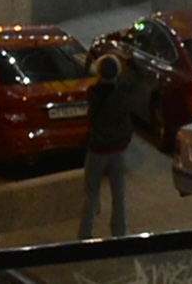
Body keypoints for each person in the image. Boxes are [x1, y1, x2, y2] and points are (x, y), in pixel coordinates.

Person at [78, 31, 151, 238]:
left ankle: (85, 236)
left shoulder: (93, 94)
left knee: (91, 195)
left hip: (97, 151)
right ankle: (119, 235)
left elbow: (84, 78)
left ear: (99, 72)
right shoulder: (124, 92)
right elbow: (141, 76)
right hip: (118, 150)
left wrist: (89, 63)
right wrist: (129, 57)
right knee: (118, 197)